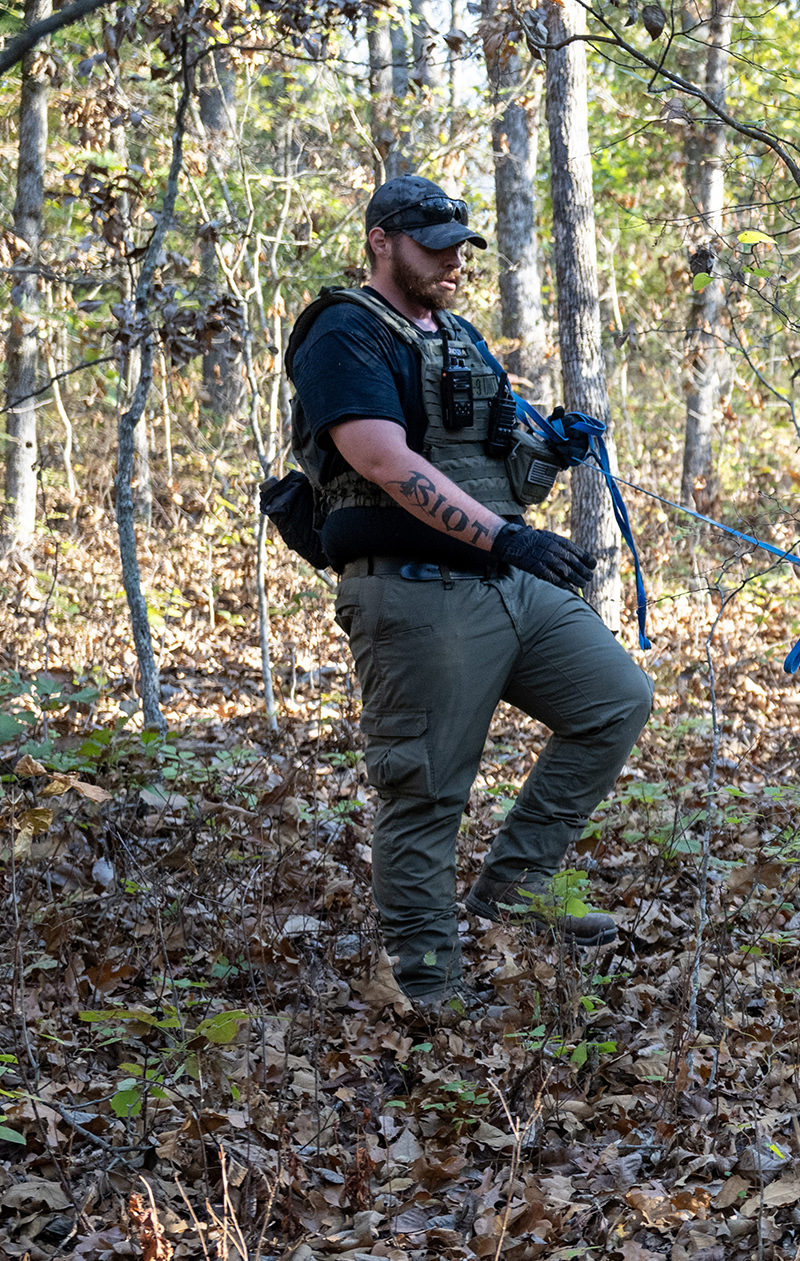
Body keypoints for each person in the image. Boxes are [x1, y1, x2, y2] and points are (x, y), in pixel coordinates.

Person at [288, 174, 653, 1011]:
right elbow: (380, 458)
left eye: (460, 244)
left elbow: (492, 461)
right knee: (426, 794)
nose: (453, 259)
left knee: (615, 699)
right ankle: (430, 994)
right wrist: (506, 537)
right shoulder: (345, 331)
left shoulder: (459, 337)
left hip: (506, 584)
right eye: (433, 244)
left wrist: (550, 447)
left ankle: (517, 887)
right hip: (416, 596)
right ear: (382, 241)